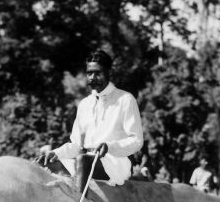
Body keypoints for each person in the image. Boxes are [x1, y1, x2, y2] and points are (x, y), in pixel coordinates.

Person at [40, 49, 143, 185]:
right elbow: (76, 145)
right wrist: (55, 153)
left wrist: (109, 146)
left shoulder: (125, 99)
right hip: (83, 161)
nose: (92, 77)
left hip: (113, 163)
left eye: (98, 72)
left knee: (83, 161)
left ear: (109, 73)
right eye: (89, 73)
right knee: (45, 163)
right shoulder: (84, 104)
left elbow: (136, 141)